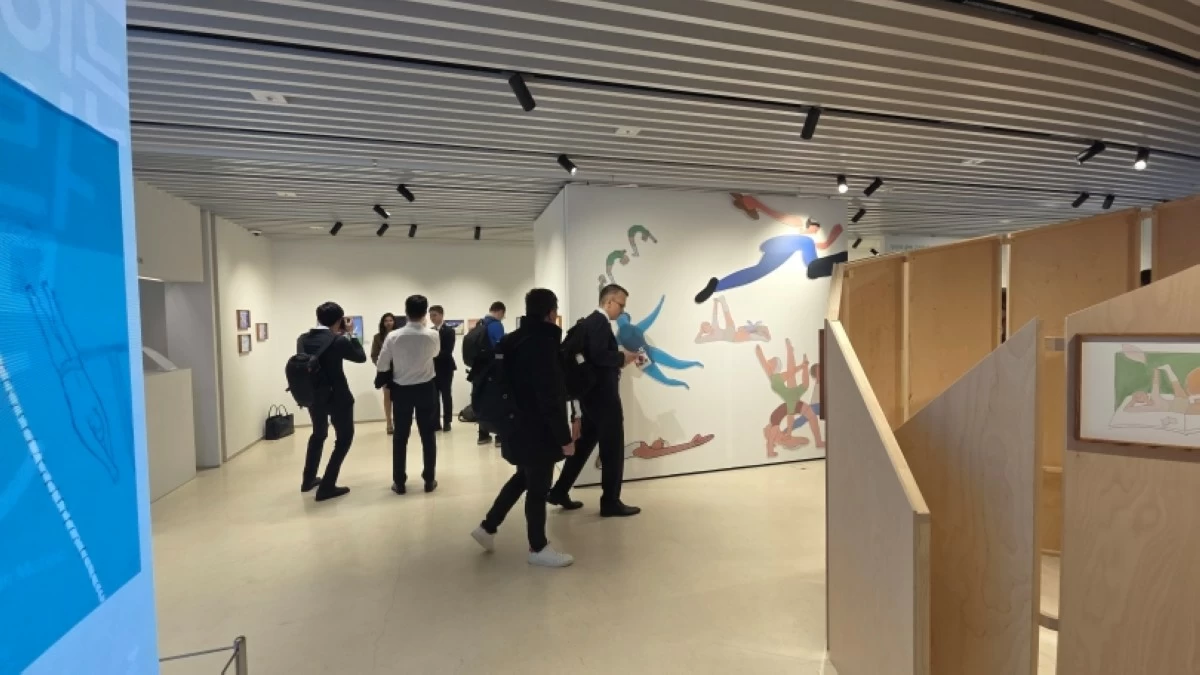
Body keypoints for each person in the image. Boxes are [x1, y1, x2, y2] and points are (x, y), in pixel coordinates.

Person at [471, 289, 577, 567]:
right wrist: (564, 437)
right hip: (537, 428)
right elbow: (549, 396)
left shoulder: (513, 339)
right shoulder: (543, 344)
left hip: (514, 423)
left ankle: (488, 527)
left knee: (523, 478)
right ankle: (538, 548)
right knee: (538, 488)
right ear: (551, 313)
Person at [547, 284, 641, 517]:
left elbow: (592, 357)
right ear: (608, 302)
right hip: (604, 398)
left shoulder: (588, 323)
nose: (622, 310)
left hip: (591, 397)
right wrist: (622, 357)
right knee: (613, 448)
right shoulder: (599, 322)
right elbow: (599, 355)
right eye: (621, 305)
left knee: (583, 446)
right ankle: (610, 502)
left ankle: (559, 491)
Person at [694, 193, 846, 303]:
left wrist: (833, 236)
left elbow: (823, 245)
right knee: (808, 248)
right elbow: (777, 215)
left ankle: (717, 285)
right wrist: (757, 205)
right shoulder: (799, 225)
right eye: (815, 228)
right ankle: (814, 268)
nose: (816, 231)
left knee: (757, 272)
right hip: (778, 244)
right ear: (810, 224)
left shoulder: (807, 243)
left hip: (781, 252)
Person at [297, 301, 367, 502]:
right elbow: (361, 357)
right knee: (344, 439)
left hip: (313, 396)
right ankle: (327, 486)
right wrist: (351, 334)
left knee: (318, 434)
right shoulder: (339, 341)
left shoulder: (302, 339)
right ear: (339, 320)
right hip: (338, 397)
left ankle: (308, 480)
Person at [376, 295, 441, 495]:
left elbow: (381, 364)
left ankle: (399, 482)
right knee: (428, 436)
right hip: (426, 389)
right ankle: (429, 480)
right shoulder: (432, 335)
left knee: (400, 437)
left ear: (406, 312)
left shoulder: (393, 336)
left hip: (402, 390)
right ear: (425, 312)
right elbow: (436, 354)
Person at [615, 295, 703, 389]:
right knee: (674, 367)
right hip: (643, 355)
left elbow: (651, 317)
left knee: (672, 370)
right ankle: (689, 373)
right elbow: (652, 317)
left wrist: (660, 304)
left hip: (642, 356)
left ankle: (691, 369)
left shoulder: (621, 336)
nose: (621, 320)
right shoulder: (634, 329)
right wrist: (660, 304)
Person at [477, 301, 507, 446]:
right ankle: (500, 437)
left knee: (483, 401)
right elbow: (500, 347)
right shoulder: (496, 325)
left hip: (480, 370)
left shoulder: (481, 323)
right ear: (500, 311)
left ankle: (482, 436)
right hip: (494, 369)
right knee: (498, 401)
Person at [429, 305, 457, 432]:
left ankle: (447, 421)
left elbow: (448, 350)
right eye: (430, 315)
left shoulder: (449, 331)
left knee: (446, 395)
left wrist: (432, 355)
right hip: (432, 368)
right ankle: (435, 422)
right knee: (434, 397)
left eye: (434, 315)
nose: (432, 318)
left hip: (445, 368)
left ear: (441, 315)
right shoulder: (430, 331)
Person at [695, 296, 771, 344]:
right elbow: (697, 341)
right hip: (730, 337)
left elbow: (714, 314)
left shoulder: (714, 326)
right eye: (705, 327)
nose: (708, 326)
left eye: (707, 324)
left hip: (730, 331)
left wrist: (716, 302)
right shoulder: (709, 337)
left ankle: (723, 301)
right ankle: (763, 336)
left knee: (729, 318)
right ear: (705, 331)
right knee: (744, 332)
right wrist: (701, 332)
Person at [370, 312, 398, 434]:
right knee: (387, 397)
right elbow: (374, 355)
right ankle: (389, 423)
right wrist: (381, 365)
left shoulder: (399, 335)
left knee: (398, 397)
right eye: (386, 320)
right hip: (385, 371)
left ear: (394, 322)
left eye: (390, 320)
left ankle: (398, 421)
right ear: (382, 323)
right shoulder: (377, 337)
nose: (388, 323)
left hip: (399, 370)